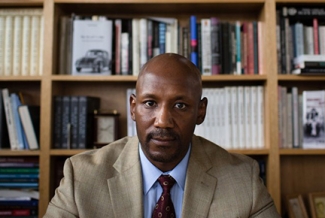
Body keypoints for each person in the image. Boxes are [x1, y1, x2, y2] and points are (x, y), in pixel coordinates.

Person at [44, 53, 280, 217]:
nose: (163, 121)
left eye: (180, 106)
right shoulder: (82, 177)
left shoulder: (242, 180)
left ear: (201, 111)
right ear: (133, 108)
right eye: (150, 103)